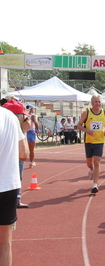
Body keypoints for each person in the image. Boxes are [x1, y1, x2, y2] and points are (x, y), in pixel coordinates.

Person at [0, 106, 29, 266]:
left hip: (7, 183)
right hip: (9, 186)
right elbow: (23, 154)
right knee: (5, 244)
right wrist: (23, 131)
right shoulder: (10, 117)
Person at [77, 94, 105, 194]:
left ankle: (95, 184)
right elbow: (78, 125)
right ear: (92, 103)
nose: (98, 103)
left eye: (99, 102)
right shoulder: (86, 113)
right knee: (89, 163)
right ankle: (90, 169)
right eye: (96, 101)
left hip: (99, 141)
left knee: (97, 162)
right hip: (89, 141)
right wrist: (87, 130)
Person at [3, 100, 31, 209]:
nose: (25, 119)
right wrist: (24, 131)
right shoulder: (14, 129)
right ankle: (16, 199)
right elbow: (23, 155)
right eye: (23, 116)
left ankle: (17, 199)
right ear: (17, 117)